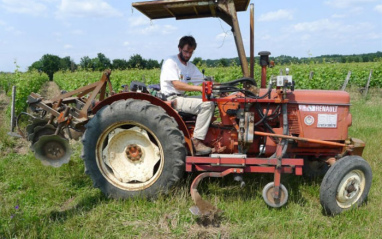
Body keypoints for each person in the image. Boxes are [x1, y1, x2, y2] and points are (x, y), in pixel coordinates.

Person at [160, 36, 214, 156]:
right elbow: (177, 84)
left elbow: (202, 80)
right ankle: (196, 141)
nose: (188, 55)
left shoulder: (189, 66)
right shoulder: (171, 61)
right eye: (186, 51)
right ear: (179, 48)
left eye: (191, 52)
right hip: (171, 98)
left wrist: (219, 87)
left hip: (181, 97)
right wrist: (200, 89)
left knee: (213, 100)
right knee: (207, 104)